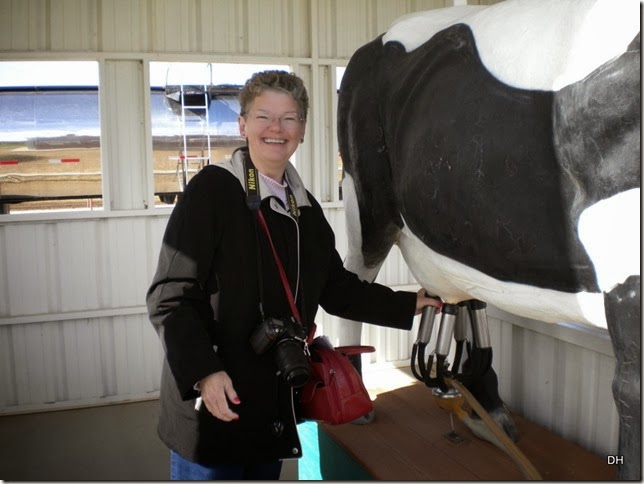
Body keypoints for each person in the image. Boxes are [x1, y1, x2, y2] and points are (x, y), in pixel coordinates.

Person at [146, 70, 442, 480]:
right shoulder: (212, 191)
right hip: (215, 404)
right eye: (264, 116)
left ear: (302, 130)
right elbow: (170, 296)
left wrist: (409, 304)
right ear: (243, 125)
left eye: (289, 118)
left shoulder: (305, 209)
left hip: (272, 404)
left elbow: (336, 288)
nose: (276, 129)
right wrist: (204, 373)